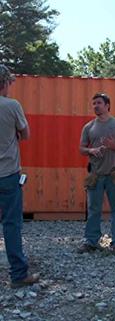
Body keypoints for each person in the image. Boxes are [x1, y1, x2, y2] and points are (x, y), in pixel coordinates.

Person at [0, 64, 39, 288]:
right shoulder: (12, 105)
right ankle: (18, 275)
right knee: (12, 224)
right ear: (5, 83)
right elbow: (25, 134)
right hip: (7, 173)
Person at [78, 92, 115, 254]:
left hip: (114, 174)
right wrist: (91, 150)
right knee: (94, 210)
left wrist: (113, 145)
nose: (96, 106)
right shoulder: (88, 127)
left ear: (107, 105)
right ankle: (91, 242)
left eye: (99, 103)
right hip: (95, 174)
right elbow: (81, 149)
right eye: (94, 104)